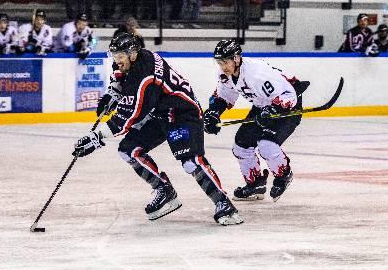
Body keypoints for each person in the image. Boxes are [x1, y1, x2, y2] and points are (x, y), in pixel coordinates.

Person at [73, 32, 243, 225]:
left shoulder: (146, 78)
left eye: (120, 56)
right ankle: (164, 190)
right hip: (159, 112)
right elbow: (119, 74)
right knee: (128, 150)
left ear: (132, 54)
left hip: (183, 113)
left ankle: (224, 203)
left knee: (190, 162)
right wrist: (112, 93)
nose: (117, 61)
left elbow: (126, 119)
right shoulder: (135, 58)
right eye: (115, 56)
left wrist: (96, 137)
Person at [203, 39, 308, 203]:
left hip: (288, 107)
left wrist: (273, 110)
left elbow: (288, 95)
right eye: (219, 62)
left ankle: (283, 175)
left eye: (225, 61)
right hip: (263, 105)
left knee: (267, 144)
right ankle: (255, 184)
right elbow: (224, 96)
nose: (222, 66)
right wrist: (213, 113)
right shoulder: (226, 75)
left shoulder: (256, 74)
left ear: (236, 58)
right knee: (241, 146)